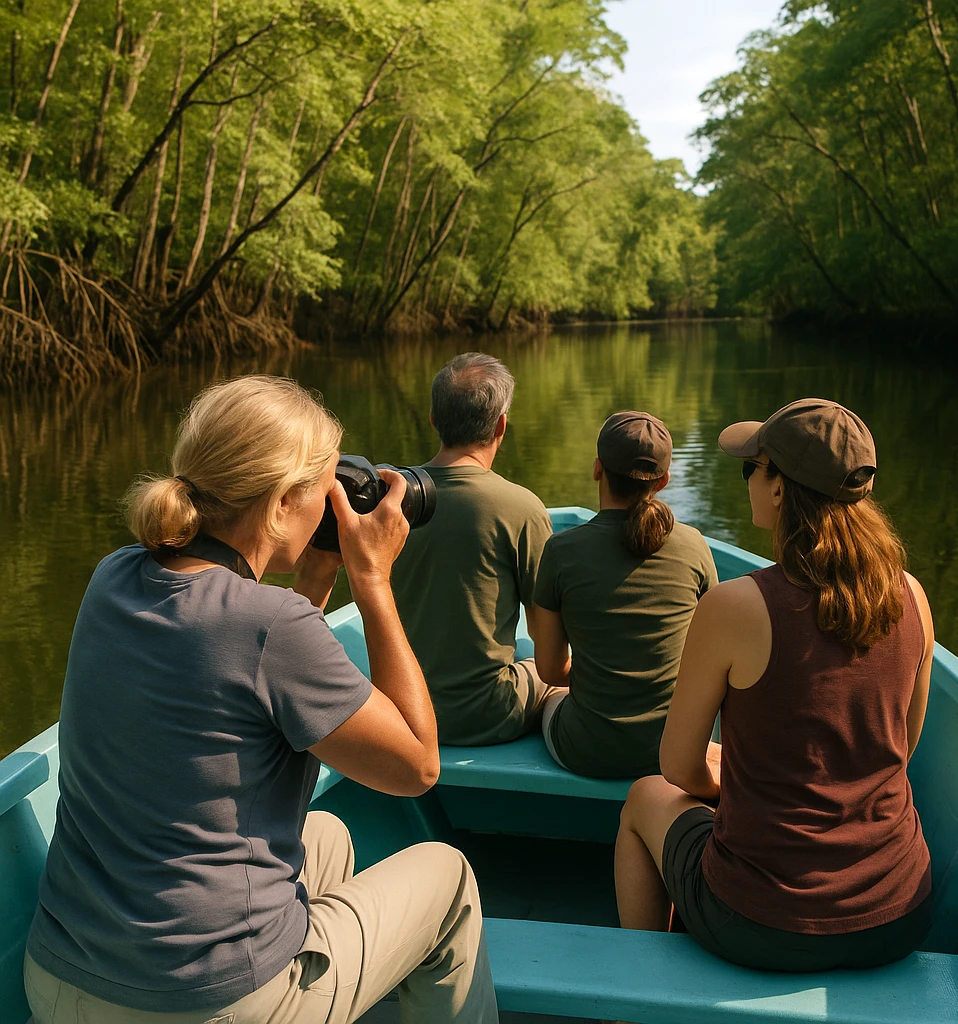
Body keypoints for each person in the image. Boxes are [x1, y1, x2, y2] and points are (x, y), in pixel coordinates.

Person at [24, 375, 498, 1024]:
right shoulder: (271, 626)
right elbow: (417, 767)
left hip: (59, 978)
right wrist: (372, 581)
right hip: (206, 1003)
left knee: (325, 836)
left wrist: (314, 575)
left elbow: (246, 671)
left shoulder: (116, 573)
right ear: (281, 505)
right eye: (326, 488)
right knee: (448, 879)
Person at [614, 398, 934, 971]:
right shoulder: (911, 594)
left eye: (751, 468)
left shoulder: (735, 607)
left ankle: (637, 995)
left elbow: (678, 768)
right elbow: (902, 747)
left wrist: (735, 777)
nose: (749, 482)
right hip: (899, 913)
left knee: (644, 797)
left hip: (761, 921)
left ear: (781, 488)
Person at [531, 411, 718, 778]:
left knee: (548, 696)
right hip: (673, 752)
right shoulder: (693, 546)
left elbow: (551, 671)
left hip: (586, 751)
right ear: (663, 481)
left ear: (598, 468)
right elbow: (708, 654)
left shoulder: (562, 551)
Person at [390, 352, 555, 745]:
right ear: (501, 424)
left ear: (433, 418)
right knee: (555, 682)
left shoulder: (389, 499)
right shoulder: (521, 508)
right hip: (485, 714)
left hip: (401, 710)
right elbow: (550, 646)